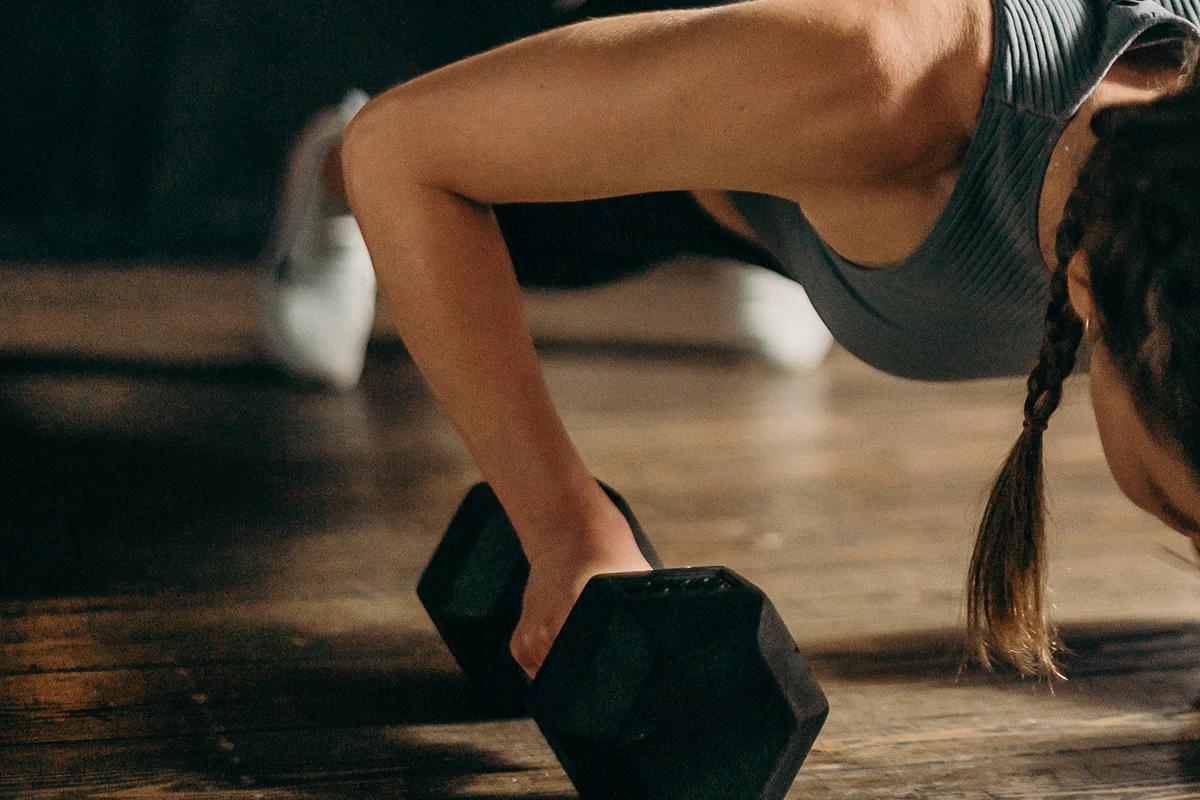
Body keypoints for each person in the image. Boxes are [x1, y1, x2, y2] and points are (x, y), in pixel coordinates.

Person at [337, 0, 1200, 679]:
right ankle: (313, 167)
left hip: (814, 155)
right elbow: (399, 149)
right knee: (447, 170)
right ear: (1087, 290)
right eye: (1186, 522)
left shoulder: (1162, 246)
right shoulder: (893, 86)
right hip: (669, 92)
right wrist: (563, 526)